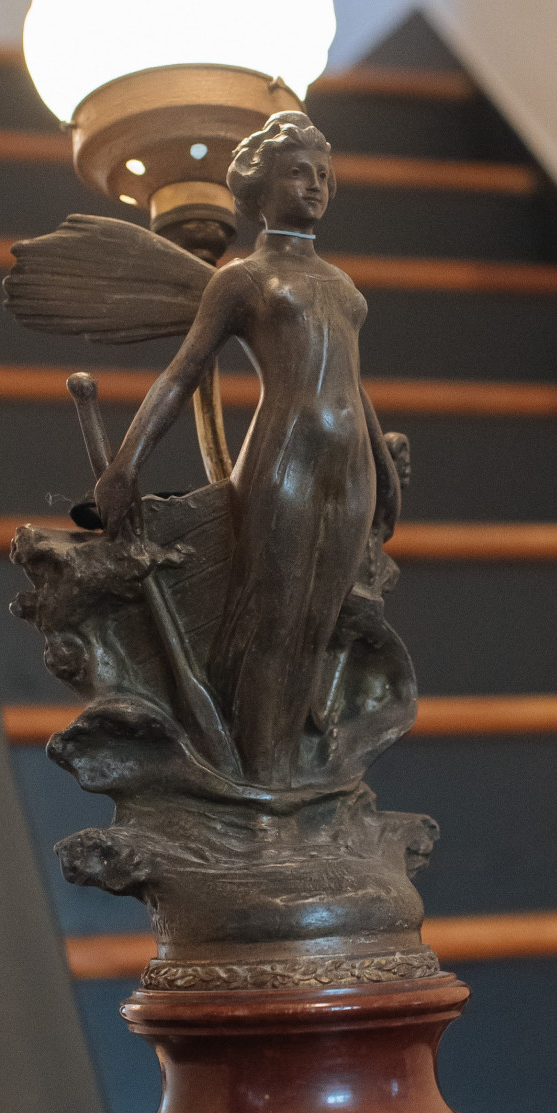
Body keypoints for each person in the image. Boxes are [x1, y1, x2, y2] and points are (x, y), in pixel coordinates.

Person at [94, 112, 401, 788]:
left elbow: (353, 382)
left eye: (324, 173)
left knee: (318, 626)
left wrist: (382, 466)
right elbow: (183, 372)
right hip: (284, 458)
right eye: (299, 172)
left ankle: (287, 776)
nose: (317, 184)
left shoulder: (343, 285)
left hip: (349, 466)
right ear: (261, 185)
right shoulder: (241, 278)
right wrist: (126, 464)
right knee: (274, 617)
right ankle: (258, 776)